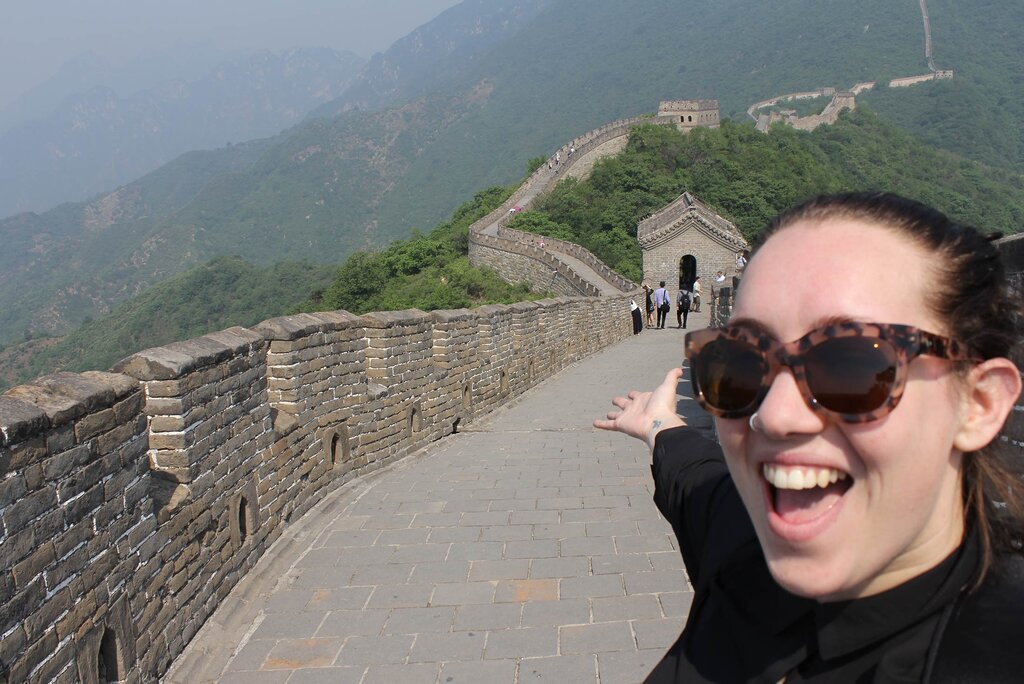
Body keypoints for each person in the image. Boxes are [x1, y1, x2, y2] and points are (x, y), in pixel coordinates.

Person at [595, 192, 1024, 682]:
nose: (772, 416)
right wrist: (658, 425)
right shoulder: (743, 542)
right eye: (741, 364)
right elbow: (695, 476)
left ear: (979, 403)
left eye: (851, 366)